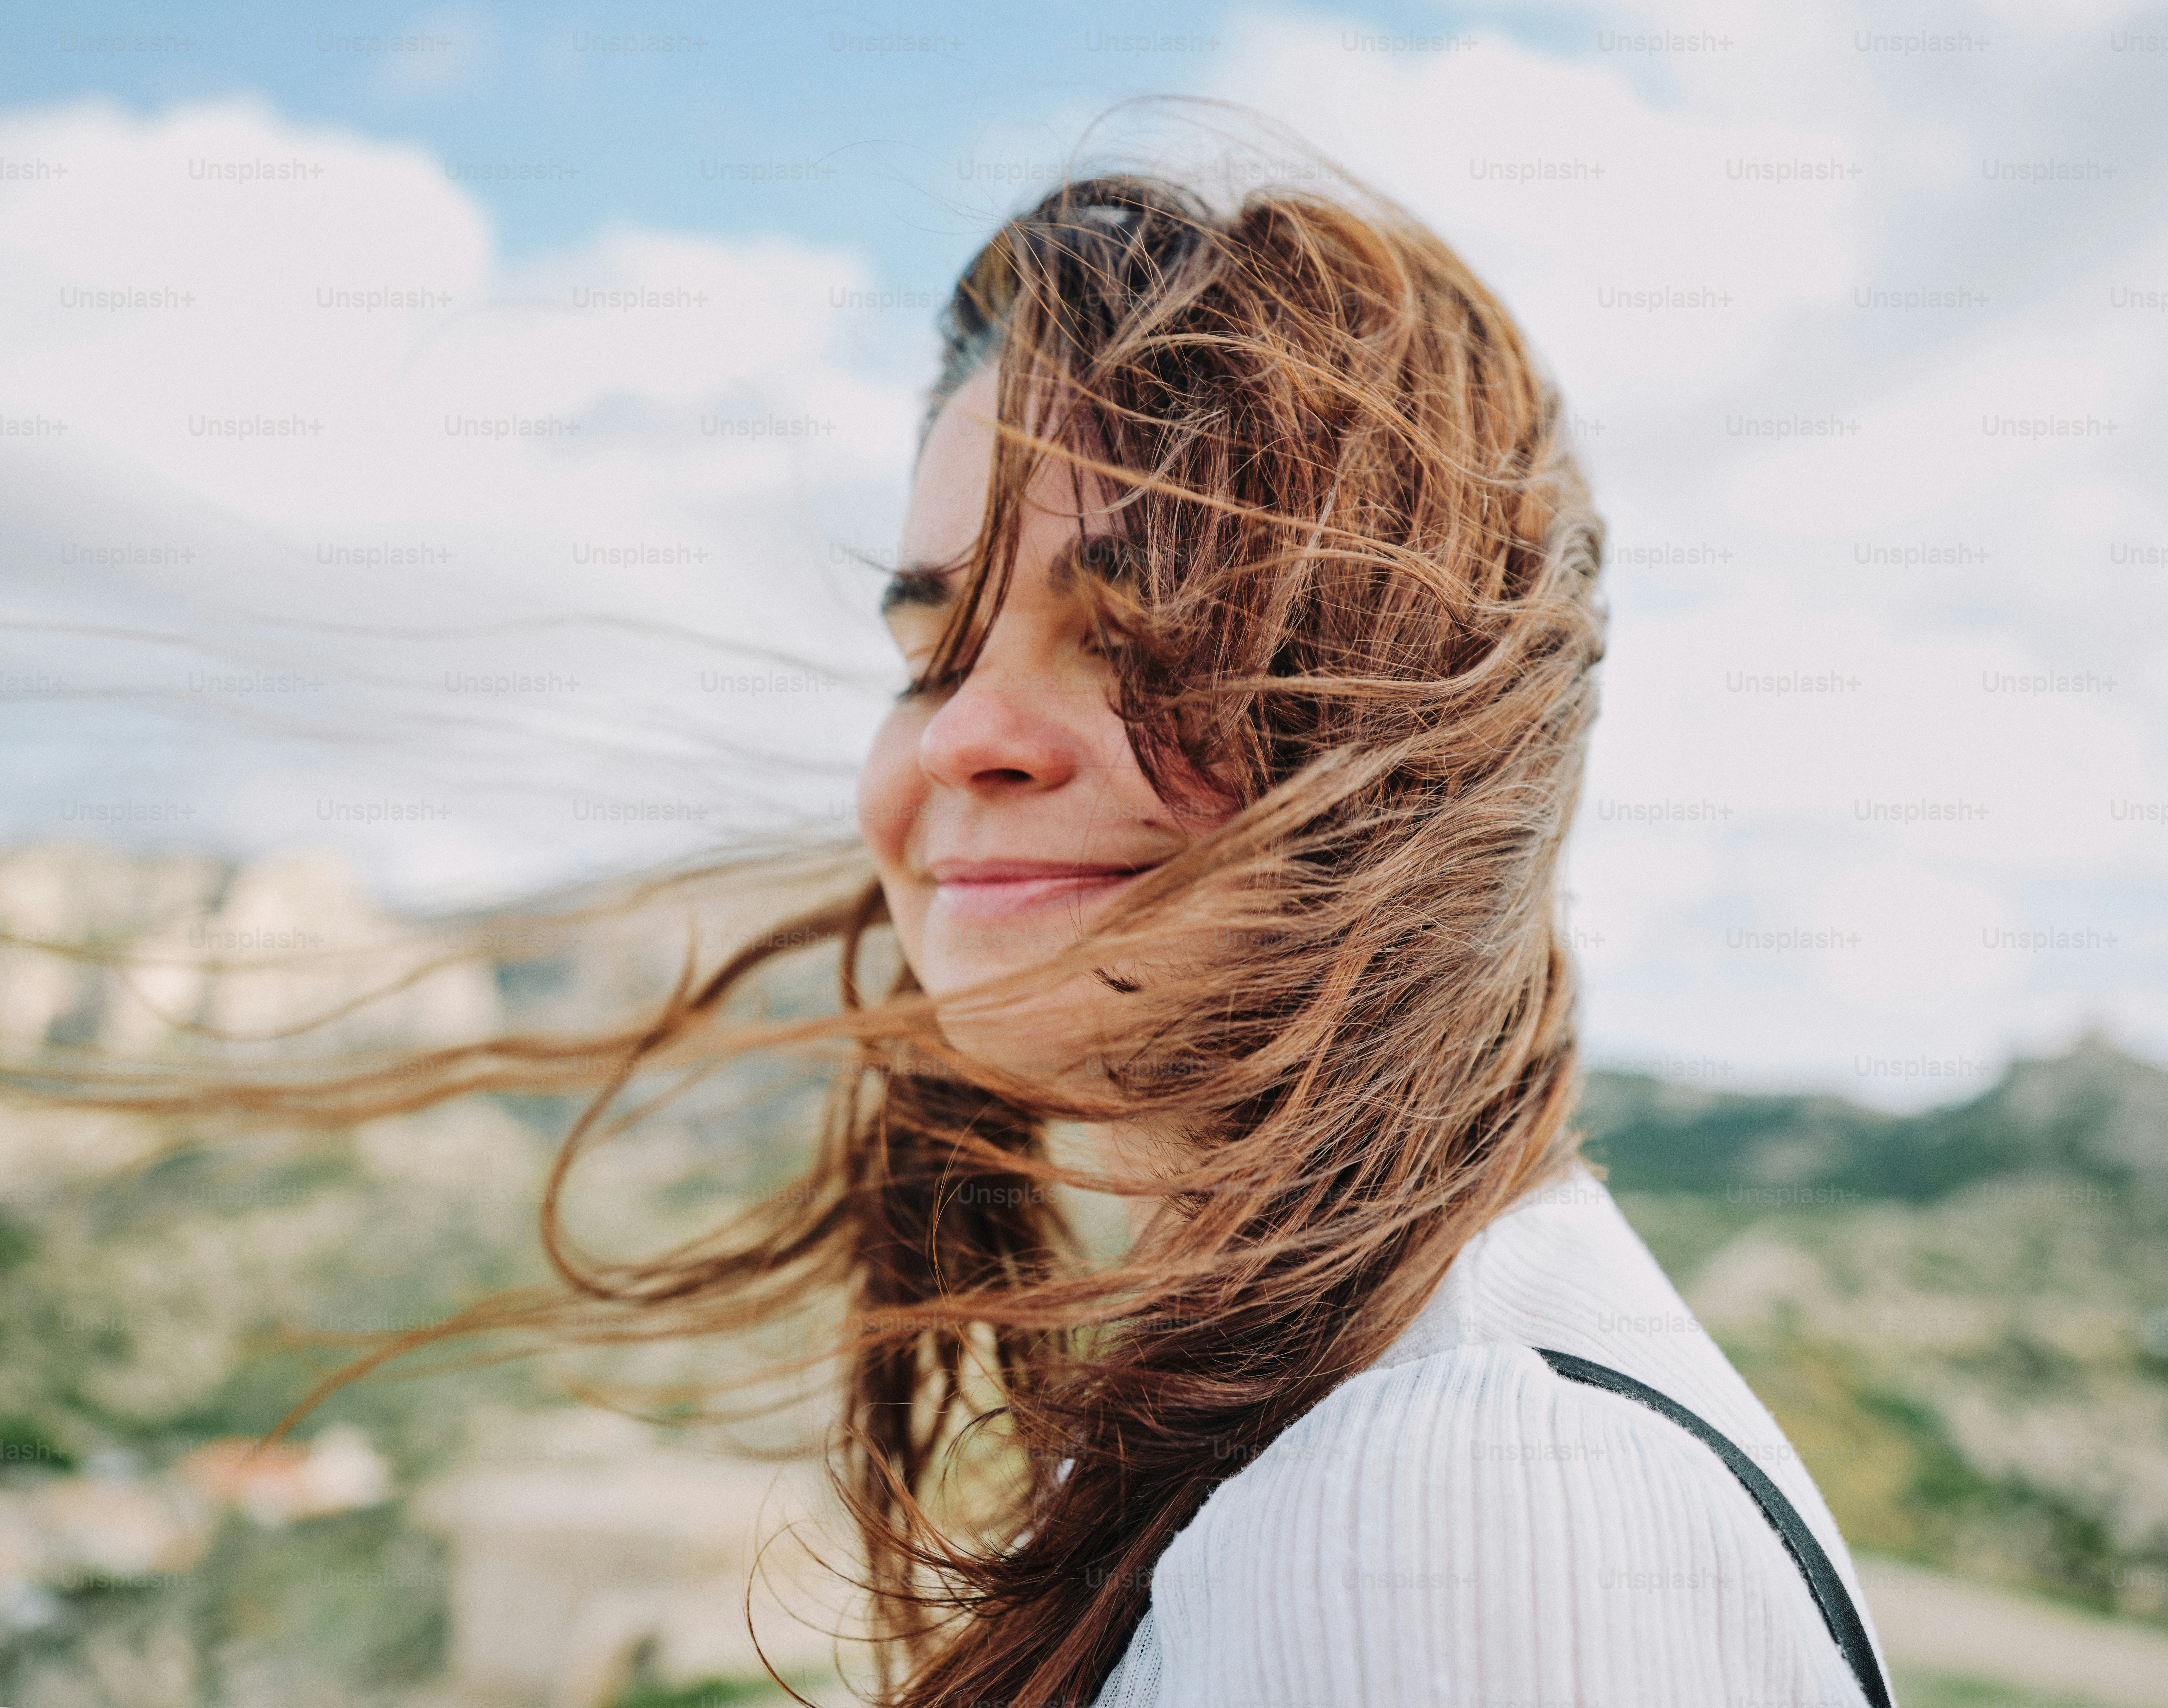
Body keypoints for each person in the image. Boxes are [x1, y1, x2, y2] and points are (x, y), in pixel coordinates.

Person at [42, 169, 1893, 1708]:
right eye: (935, 644)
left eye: (1153, 624)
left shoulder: (1454, 1500)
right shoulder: (1316, 1401)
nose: (962, 735)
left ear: (1435, 741)